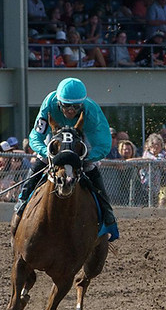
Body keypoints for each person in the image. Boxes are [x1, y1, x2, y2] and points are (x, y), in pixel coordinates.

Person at [11, 78, 119, 241]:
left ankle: (107, 212)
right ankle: (23, 200)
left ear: (82, 104)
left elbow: (103, 144)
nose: (71, 111)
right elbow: (35, 136)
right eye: (67, 105)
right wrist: (46, 152)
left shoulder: (91, 111)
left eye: (76, 106)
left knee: (90, 167)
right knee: (41, 160)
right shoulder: (49, 103)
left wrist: (84, 157)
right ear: (58, 102)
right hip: (55, 137)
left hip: (82, 139)